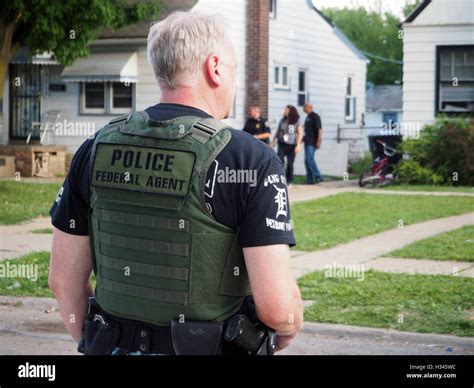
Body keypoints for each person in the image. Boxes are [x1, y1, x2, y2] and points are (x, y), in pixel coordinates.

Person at [48, 11, 303, 356]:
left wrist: (99, 341)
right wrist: (288, 325)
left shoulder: (95, 148)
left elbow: (63, 281)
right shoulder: (251, 160)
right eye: (233, 71)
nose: (234, 83)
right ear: (214, 68)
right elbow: (277, 309)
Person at [271, 105, 303, 185]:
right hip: (282, 143)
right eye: (284, 110)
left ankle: (289, 180)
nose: (284, 111)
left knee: (290, 163)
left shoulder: (296, 121)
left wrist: (298, 145)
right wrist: (273, 140)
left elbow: (300, 133)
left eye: (286, 110)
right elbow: (278, 130)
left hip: (292, 145)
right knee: (280, 161)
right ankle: (280, 178)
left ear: (291, 112)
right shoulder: (282, 120)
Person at [303, 103, 323, 184]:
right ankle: (309, 179)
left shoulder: (315, 116)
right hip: (307, 142)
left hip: (312, 142)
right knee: (306, 161)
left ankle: (318, 176)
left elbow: (320, 130)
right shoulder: (307, 117)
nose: (303, 108)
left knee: (309, 159)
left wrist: (318, 141)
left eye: (304, 107)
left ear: (309, 107)